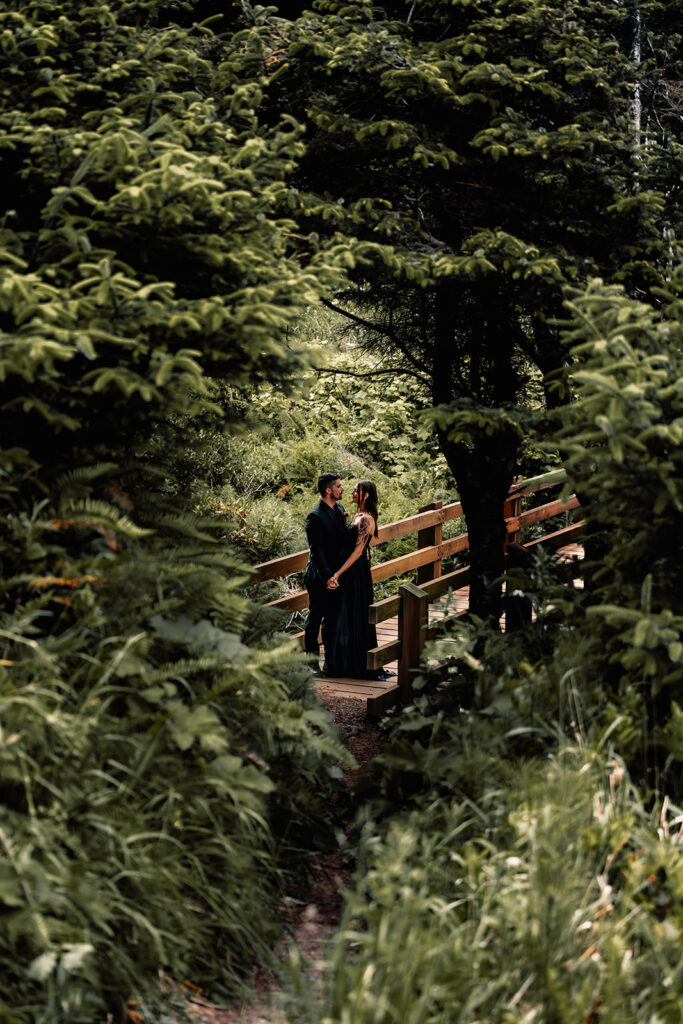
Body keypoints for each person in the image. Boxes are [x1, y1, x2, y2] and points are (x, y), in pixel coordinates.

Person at [324, 480, 382, 679]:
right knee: (345, 614)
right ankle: (343, 663)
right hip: (350, 570)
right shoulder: (357, 515)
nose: (353, 491)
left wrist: (338, 573)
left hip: (356, 573)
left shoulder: (366, 519)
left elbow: (358, 551)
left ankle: (354, 664)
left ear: (366, 495)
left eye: (357, 490)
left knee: (353, 613)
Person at [304, 472, 347, 669]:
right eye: (338, 486)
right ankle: (312, 664)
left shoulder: (339, 508)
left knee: (332, 619)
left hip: (337, 575)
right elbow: (317, 551)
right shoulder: (315, 517)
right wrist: (328, 577)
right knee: (315, 618)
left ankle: (331, 662)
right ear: (328, 491)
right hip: (319, 576)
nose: (342, 488)